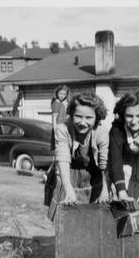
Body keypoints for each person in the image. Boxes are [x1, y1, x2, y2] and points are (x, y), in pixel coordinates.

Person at [47, 92, 110, 220]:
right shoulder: (62, 128)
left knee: (94, 216)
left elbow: (104, 163)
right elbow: (63, 159)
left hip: (94, 175)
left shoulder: (102, 132)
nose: (83, 122)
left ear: (97, 117)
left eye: (88, 118)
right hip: (68, 173)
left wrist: (105, 189)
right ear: (71, 114)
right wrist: (68, 189)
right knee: (67, 214)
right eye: (78, 116)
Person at [50, 85, 70, 150]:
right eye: (60, 93)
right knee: (59, 146)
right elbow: (54, 119)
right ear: (57, 93)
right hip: (58, 127)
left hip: (66, 127)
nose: (62, 96)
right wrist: (55, 130)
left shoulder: (66, 103)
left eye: (64, 94)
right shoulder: (56, 103)